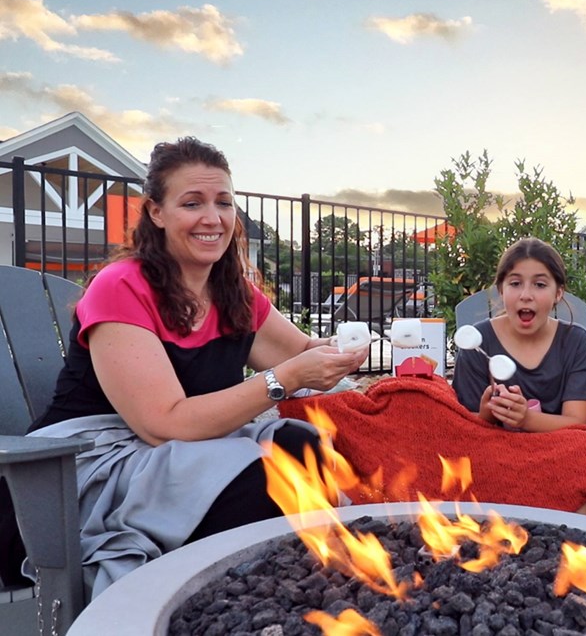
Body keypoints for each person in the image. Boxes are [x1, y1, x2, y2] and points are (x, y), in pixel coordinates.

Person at [20, 137, 368, 599]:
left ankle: (300, 598)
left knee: (304, 448)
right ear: (156, 213)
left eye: (224, 202)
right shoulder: (121, 286)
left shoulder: (234, 293)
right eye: (192, 202)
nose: (213, 218)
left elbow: (302, 352)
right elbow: (163, 424)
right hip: (87, 466)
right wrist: (282, 381)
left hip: (189, 452)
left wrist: (352, 350)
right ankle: (234, 606)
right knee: (267, 482)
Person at [453, 237, 586, 433]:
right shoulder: (478, 344)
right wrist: (487, 415)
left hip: (561, 449)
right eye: (515, 283)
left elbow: (578, 423)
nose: (526, 295)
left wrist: (526, 418)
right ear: (501, 290)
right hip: (496, 452)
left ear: (558, 293)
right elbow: (463, 427)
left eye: (540, 285)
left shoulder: (576, 343)